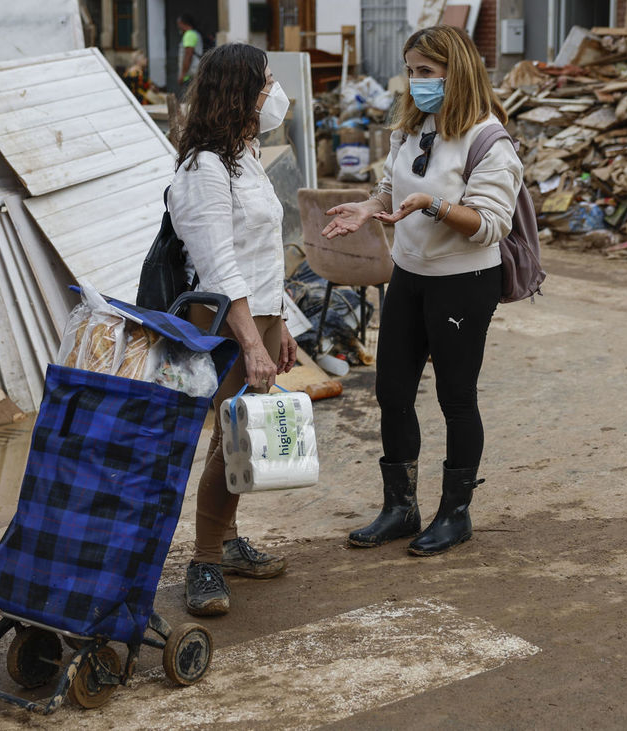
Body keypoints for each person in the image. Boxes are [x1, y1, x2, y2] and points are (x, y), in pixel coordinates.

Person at [322, 25, 523, 557]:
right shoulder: (413, 126)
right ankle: (400, 507)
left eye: (427, 73)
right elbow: (395, 185)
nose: (416, 83)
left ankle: (455, 514)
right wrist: (368, 207)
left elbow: (489, 225)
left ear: (457, 73)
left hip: (464, 280)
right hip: (409, 274)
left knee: (456, 399)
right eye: (411, 71)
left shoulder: (487, 139)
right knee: (391, 391)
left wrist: (434, 206)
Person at [168, 43, 299, 616]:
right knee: (227, 439)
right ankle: (203, 563)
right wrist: (250, 340)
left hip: (262, 313)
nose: (275, 95)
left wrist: (283, 324)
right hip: (226, 321)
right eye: (266, 84)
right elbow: (219, 265)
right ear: (240, 92)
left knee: (241, 436)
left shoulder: (244, 157)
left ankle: (225, 540)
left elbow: (262, 251)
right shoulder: (203, 168)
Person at [177, 15, 204, 87]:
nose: (179, 27)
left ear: (184, 24)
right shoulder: (195, 33)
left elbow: (188, 55)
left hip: (190, 75)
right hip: (196, 73)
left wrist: (182, 74)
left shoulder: (189, 35)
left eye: (179, 24)